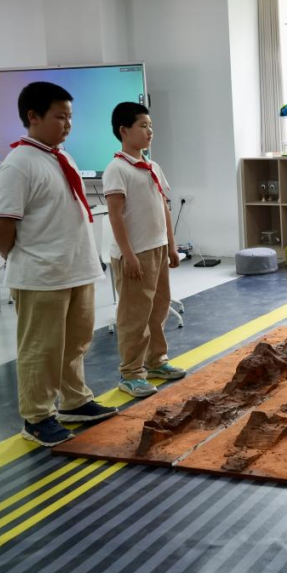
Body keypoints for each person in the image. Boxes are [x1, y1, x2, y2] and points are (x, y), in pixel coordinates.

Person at [0, 82, 117, 447]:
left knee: (75, 342)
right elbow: (0, 227)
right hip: (41, 275)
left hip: (76, 268)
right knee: (41, 349)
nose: (68, 125)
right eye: (60, 117)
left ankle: (75, 401)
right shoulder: (18, 165)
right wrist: (23, 259)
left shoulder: (62, 157)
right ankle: (37, 417)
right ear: (33, 117)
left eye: (70, 117)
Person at [103, 102, 186, 398]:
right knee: (134, 315)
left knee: (158, 309)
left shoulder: (152, 166)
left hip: (157, 248)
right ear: (124, 130)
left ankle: (156, 361)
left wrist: (171, 245)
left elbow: (163, 207)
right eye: (143, 125)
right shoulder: (117, 169)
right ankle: (131, 373)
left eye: (150, 126)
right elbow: (115, 216)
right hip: (135, 254)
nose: (150, 131)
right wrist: (128, 256)